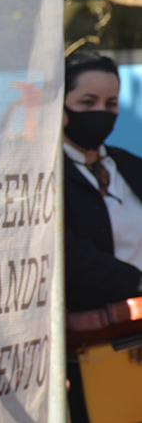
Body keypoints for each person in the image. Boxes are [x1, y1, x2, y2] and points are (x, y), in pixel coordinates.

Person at [62, 50, 142, 422]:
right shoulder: (44, 173)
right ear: (61, 106)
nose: (102, 113)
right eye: (87, 102)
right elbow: (69, 255)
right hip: (86, 344)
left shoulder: (129, 165)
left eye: (111, 103)